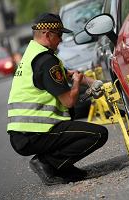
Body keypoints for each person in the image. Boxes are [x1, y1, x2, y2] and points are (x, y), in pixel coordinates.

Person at [7, 13, 108, 186]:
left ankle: (62, 167)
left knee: (76, 131)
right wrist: (76, 85)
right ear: (47, 34)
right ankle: (47, 164)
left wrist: (98, 83)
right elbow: (69, 101)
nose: (61, 39)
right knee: (98, 134)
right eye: (59, 34)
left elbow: (68, 74)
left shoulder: (34, 54)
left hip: (24, 132)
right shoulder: (46, 61)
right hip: (35, 132)